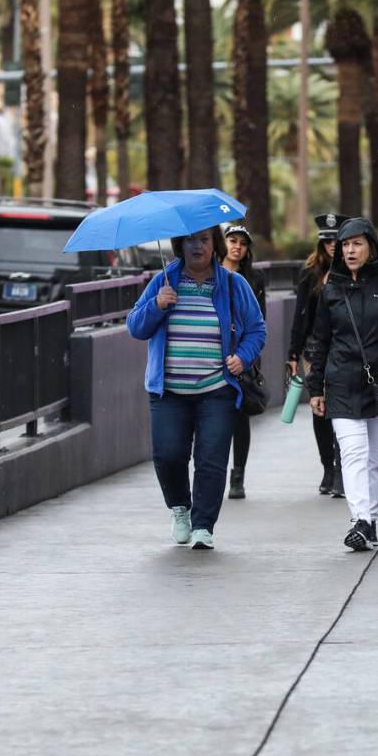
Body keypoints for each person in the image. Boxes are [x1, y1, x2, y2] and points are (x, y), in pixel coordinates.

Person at [127, 226, 266, 550]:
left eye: (203, 239)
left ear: (214, 244)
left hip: (217, 390)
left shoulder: (233, 284)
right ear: (180, 245)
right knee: (168, 456)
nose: (197, 246)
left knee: (211, 460)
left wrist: (242, 358)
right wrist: (158, 305)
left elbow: (257, 329)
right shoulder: (163, 282)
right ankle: (180, 508)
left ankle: (204, 526)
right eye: (190, 240)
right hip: (169, 392)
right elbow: (135, 326)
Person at [306, 217, 378, 551]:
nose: (350, 251)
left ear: (371, 246)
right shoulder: (331, 289)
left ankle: (370, 519)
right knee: (353, 453)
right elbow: (319, 339)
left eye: (357, 244)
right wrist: (315, 388)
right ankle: (360, 520)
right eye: (345, 245)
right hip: (341, 381)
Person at [287, 213, 349, 499]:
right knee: (320, 407)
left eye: (338, 240)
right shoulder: (310, 272)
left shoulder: (353, 269)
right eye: (328, 241)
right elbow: (301, 315)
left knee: (342, 408)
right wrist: (293, 353)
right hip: (314, 349)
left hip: (347, 348)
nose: (333, 246)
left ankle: (340, 470)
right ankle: (328, 467)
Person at [219, 224, 267, 500]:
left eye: (243, 243)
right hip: (215, 354)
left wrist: (248, 356)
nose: (237, 247)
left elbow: (259, 322)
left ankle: (238, 476)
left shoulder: (253, 278)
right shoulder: (210, 273)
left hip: (242, 357)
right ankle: (214, 472)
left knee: (240, 418)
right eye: (232, 241)